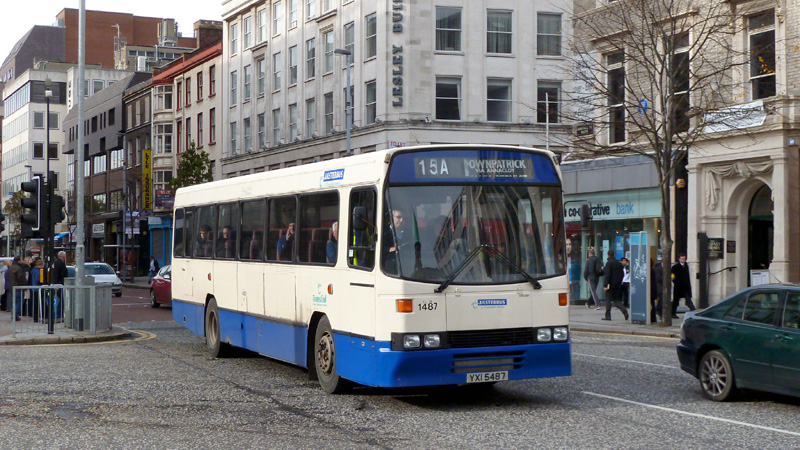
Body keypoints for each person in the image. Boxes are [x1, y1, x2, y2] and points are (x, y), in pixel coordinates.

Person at [602, 250, 629, 321]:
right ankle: (624, 310)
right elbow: (622, 274)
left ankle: (608, 316)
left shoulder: (609, 263)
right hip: (618, 285)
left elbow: (607, 275)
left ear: (608, 255)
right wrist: (619, 282)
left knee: (608, 300)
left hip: (610, 285)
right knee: (616, 300)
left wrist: (605, 285)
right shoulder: (619, 264)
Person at [671, 253, 696, 318]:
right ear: (679, 259)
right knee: (676, 300)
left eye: (684, 259)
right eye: (682, 259)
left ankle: (693, 310)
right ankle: (672, 313)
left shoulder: (686, 266)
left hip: (685, 286)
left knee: (688, 299)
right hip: (678, 286)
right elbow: (672, 275)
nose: (683, 260)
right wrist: (675, 281)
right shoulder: (675, 267)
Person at [8, 256, 27, 321]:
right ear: (18, 260)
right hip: (18, 287)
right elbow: (21, 278)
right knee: (19, 301)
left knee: (13, 302)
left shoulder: (10, 268)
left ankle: (13, 314)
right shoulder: (19, 268)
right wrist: (25, 286)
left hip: (11, 287)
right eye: (21, 260)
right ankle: (15, 315)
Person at [51, 251, 69, 320]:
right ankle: (59, 315)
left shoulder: (55, 263)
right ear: (63, 256)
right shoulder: (61, 264)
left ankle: (57, 314)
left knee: (58, 300)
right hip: (60, 284)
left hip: (56, 283)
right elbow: (63, 274)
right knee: (61, 300)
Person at [651, 259, 663, 323]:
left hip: (664, 287)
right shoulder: (657, 269)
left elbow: (672, 275)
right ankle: (659, 312)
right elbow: (658, 278)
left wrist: (672, 277)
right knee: (660, 300)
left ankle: (658, 311)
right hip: (659, 287)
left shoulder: (668, 268)